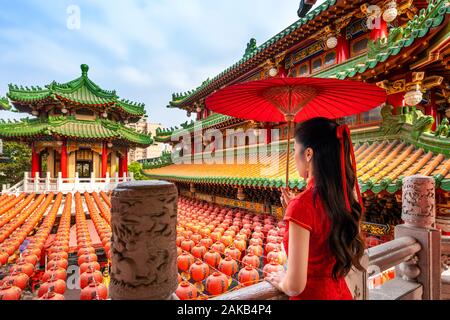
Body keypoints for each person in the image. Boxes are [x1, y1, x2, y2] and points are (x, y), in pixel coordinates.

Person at [265, 117, 366, 300]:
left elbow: (294, 286)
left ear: (309, 153)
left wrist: (281, 281)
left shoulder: (302, 206)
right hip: (341, 294)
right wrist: (296, 208)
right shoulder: (341, 198)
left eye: (294, 150)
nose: (294, 156)